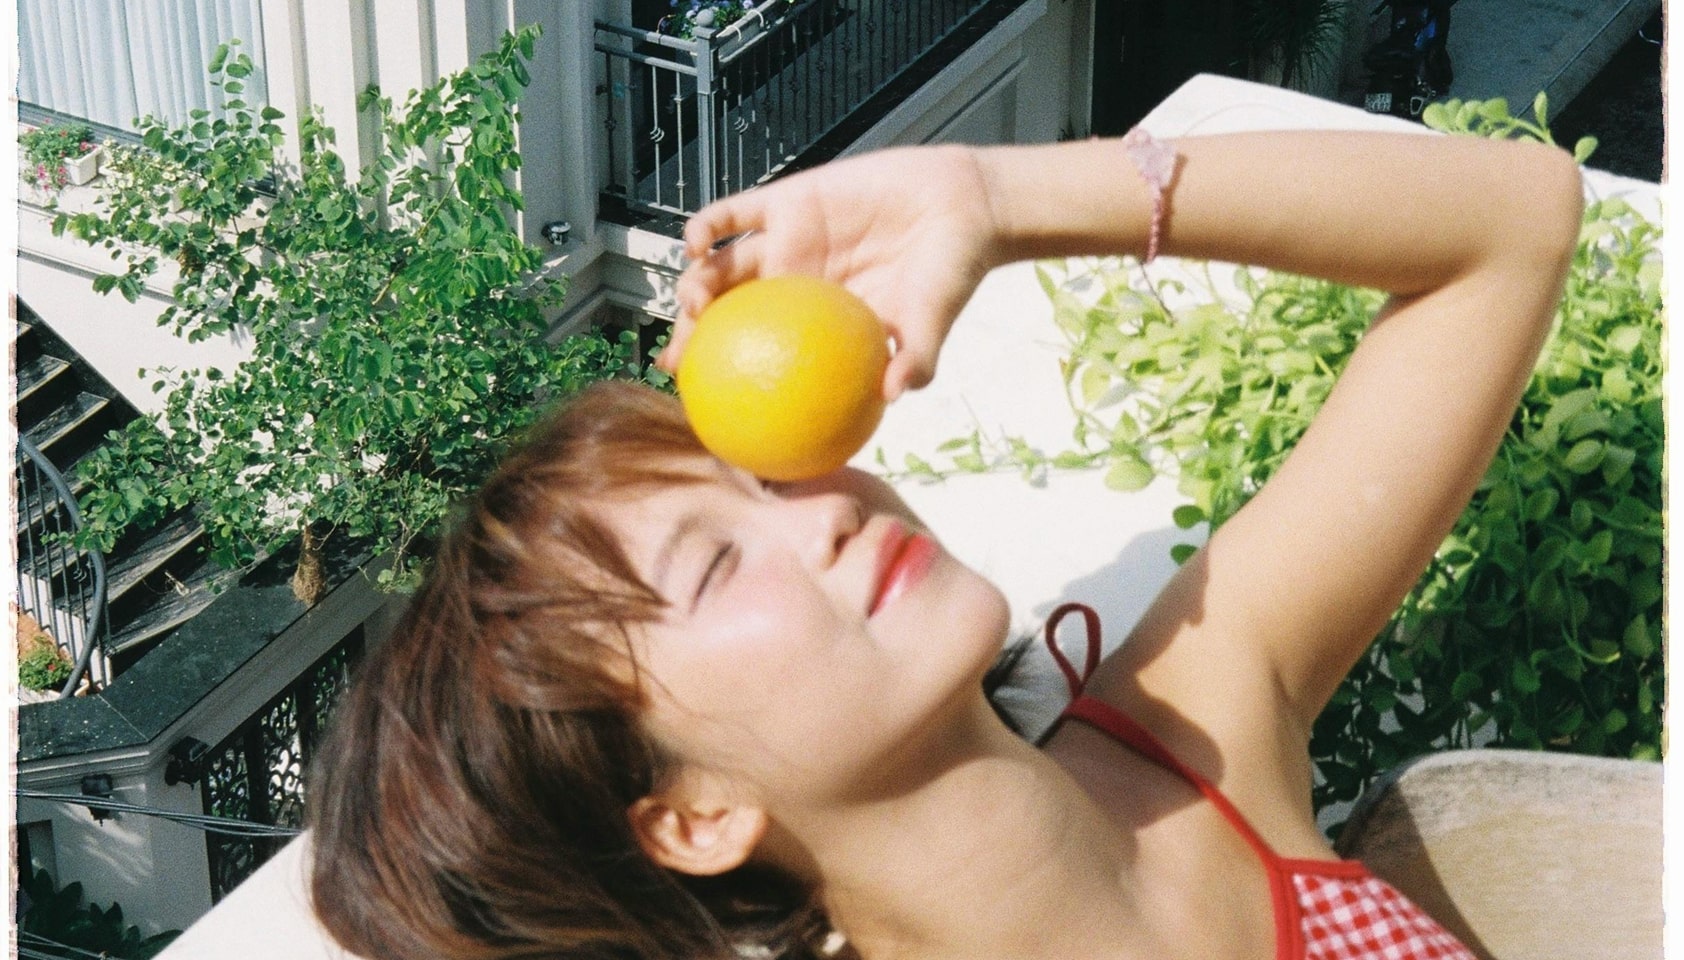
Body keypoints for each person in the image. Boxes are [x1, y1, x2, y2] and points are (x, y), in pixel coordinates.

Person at [307, 127, 1584, 960]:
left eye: (770, 476)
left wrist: (993, 198)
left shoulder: (1197, 731)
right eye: (715, 562)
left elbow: (1511, 223)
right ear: (693, 819)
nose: (826, 508)